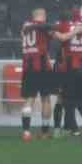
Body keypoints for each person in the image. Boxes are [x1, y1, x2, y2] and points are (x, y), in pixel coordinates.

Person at [50, 8, 82, 137]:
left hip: (65, 68)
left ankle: (62, 129)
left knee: (63, 99)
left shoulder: (63, 26)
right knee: (78, 99)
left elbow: (59, 37)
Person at [19, 8, 55, 140]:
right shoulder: (44, 27)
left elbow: (22, 37)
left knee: (29, 98)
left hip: (28, 66)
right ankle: (45, 132)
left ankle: (26, 132)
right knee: (46, 98)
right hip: (43, 65)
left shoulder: (25, 26)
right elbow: (54, 35)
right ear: (43, 16)